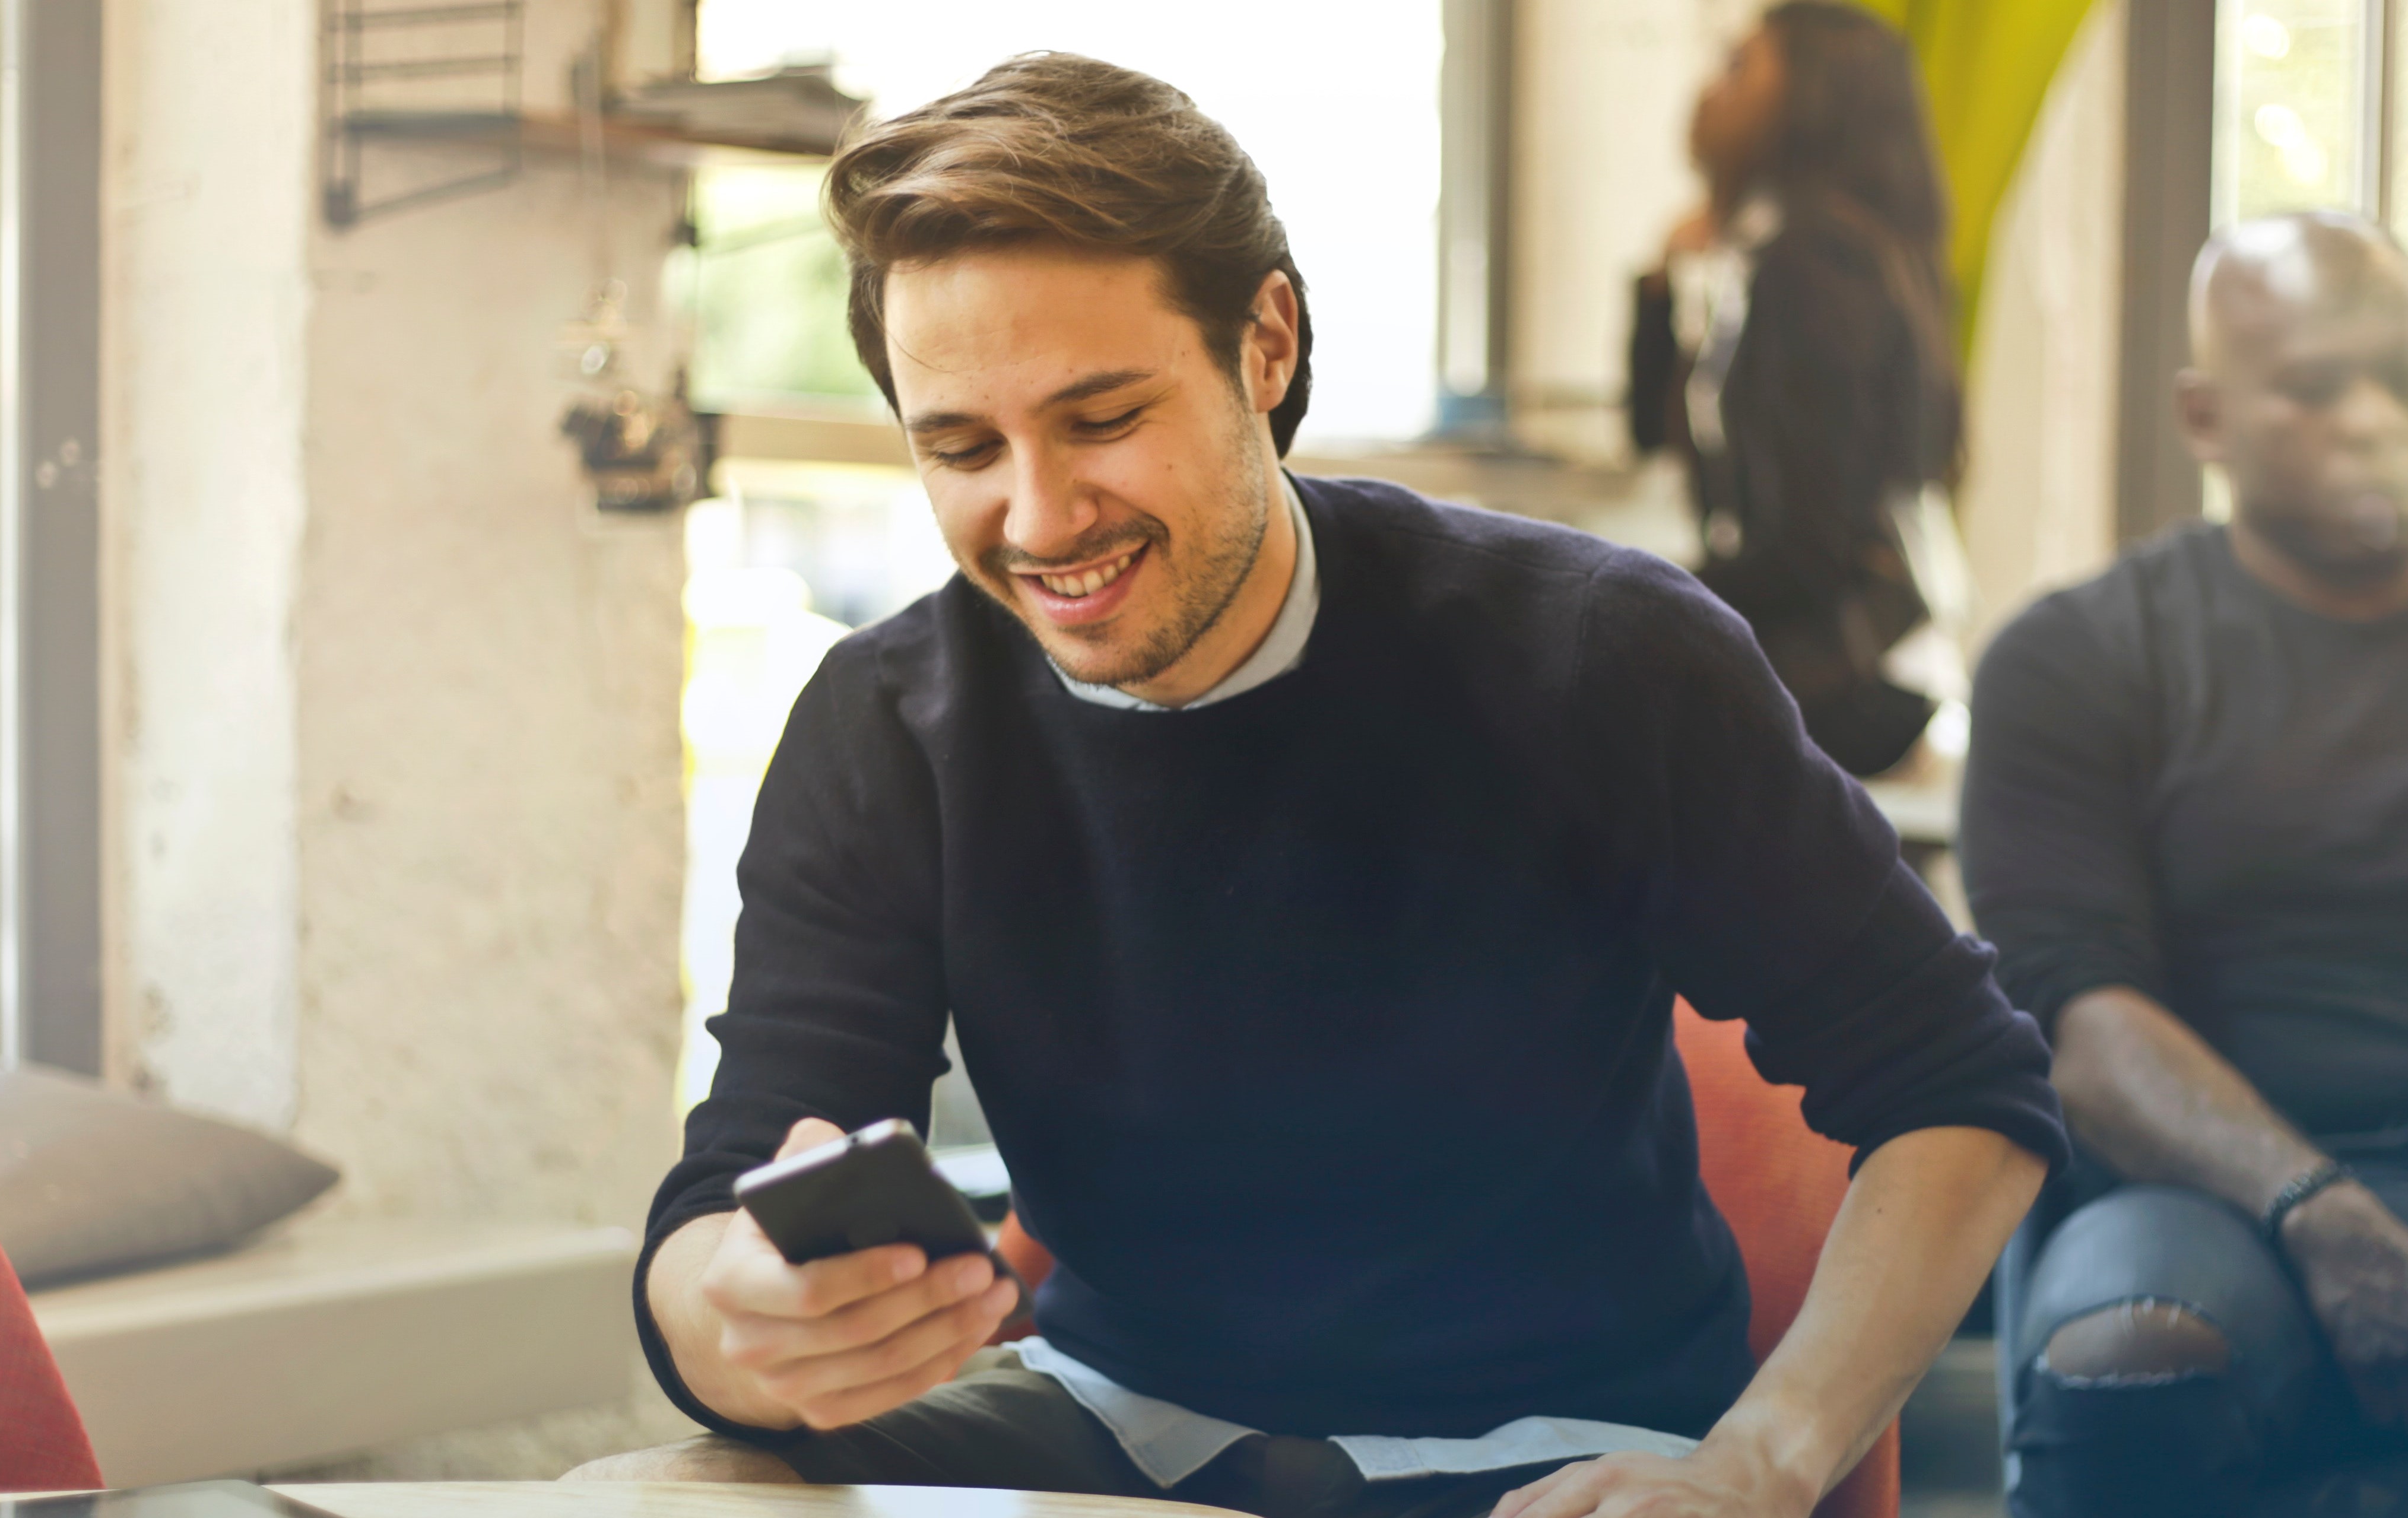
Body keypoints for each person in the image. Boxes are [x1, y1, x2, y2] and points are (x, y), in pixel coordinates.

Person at [578, 53, 2063, 1518]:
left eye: (1101, 419)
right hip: (1111, 1435)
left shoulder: (1597, 653)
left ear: (1265, 344)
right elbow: (721, 1202)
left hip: (1551, 1454)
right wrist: (746, 1320)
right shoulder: (888, 722)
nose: (1037, 517)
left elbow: (1961, 1086)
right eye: (961, 446)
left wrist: (1760, 1458)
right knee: (634, 1502)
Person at [1963, 211, 2408, 1518]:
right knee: (2129, 1363)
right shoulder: (2081, 656)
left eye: (2398, 374)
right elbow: (2080, 1025)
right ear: (2204, 417)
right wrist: (2322, 1216)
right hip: (2209, 1193)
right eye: (2316, 387)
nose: (2372, 418)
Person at [1627, 2, 1962, 778]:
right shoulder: (1820, 250)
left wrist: (1642, 594)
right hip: (1842, 663)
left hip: (1848, 686)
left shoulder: (1817, 266)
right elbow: (1651, 432)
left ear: (1809, 95)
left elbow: (1811, 545)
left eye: (1740, 66)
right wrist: (1658, 283)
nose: (1709, 90)